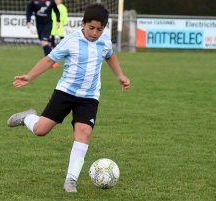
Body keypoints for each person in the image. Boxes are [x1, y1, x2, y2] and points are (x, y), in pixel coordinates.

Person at [7, 3, 130, 193]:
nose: (95, 33)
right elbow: (49, 59)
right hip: (65, 93)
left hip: (89, 97)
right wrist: (29, 76)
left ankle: (71, 180)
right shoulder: (71, 40)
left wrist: (120, 76)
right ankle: (27, 117)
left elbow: (110, 56)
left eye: (99, 29)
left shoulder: (105, 41)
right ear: (83, 23)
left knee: (84, 133)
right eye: (91, 28)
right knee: (41, 130)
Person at [26, 0, 60, 69]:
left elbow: (56, 11)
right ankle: (53, 57)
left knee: (43, 41)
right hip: (39, 25)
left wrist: (58, 20)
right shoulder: (33, 2)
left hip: (48, 24)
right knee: (46, 42)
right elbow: (29, 11)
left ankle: (50, 62)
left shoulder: (50, 1)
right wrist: (28, 21)